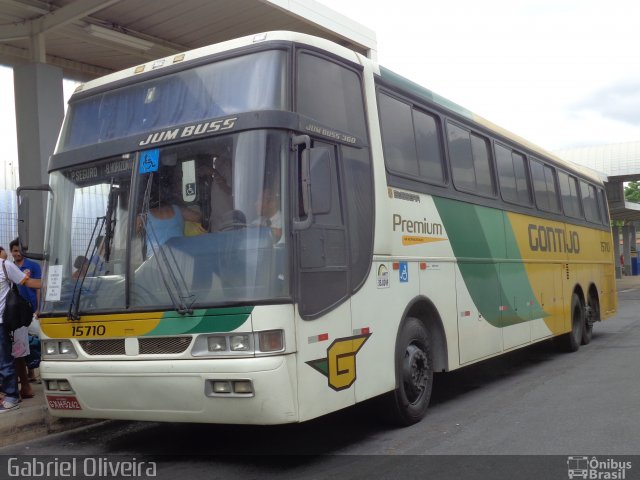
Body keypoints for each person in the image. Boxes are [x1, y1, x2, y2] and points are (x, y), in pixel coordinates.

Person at [0, 254, 41, 412]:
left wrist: (52, 284)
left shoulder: (5, 266)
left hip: (2, 322)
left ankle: (11, 397)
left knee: (4, 360)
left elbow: (29, 282)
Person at [9, 239, 41, 400]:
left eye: (19, 250)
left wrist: (39, 308)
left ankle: (32, 374)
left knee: (34, 340)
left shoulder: (33, 266)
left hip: (31, 310)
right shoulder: (9, 266)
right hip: (17, 313)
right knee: (21, 346)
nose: (17, 253)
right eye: (14, 250)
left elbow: (37, 288)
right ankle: (30, 375)